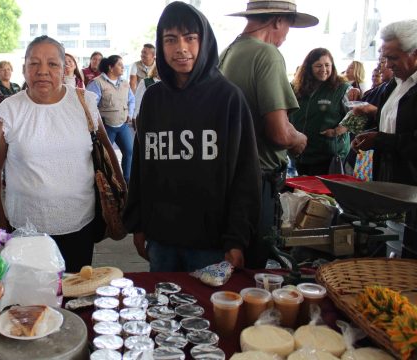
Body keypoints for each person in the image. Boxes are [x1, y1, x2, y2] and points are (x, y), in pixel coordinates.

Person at [123, 2, 260, 272]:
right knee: (162, 310)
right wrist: (138, 223)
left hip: (212, 244)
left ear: (204, 41)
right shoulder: (153, 99)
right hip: (162, 240)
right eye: (171, 39)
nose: (181, 48)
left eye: (190, 38)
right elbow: (142, 165)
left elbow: (246, 175)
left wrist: (237, 239)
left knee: (209, 313)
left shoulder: (228, 98)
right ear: (161, 46)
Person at [0, 36, 124, 272]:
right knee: (30, 301)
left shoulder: (85, 103)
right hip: (26, 229)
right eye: (34, 64)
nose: (42, 71)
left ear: (64, 69)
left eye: (52, 64)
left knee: (74, 293)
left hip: (80, 223)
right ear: (23, 69)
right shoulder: (8, 111)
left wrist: (123, 194)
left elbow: (108, 151)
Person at [219, 0, 316, 268]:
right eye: (288, 26)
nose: (286, 34)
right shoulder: (267, 54)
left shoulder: (227, 52)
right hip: (256, 182)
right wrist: (300, 139)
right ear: (277, 21)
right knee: (251, 269)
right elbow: (279, 133)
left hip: (227, 178)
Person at [352, 19, 417, 186]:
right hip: (386, 177)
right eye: (385, 58)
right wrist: (367, 136)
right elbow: (391, 127)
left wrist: (379, 140)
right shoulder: (393, 85)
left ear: (415, 54)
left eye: (393, 58)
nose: (387, 65)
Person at [290, 48, 351, 176]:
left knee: (324, 195)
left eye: (327, 65)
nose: (324, 70)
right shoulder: (296, 88)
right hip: (301, 154)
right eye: (318, 66)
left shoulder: (342, 89)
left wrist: (337, 131)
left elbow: (357, 116)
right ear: (309, 68)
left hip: (329, 156)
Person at [86, 55, 135, 183]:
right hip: (106, 127)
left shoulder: (124, 83)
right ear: (110, 67)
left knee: (129, 152)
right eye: (119, 64)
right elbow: (90, 104)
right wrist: (97, 124)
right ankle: (110, 182)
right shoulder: (97, 83)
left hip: (123, 125)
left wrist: (129, 114)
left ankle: (127, 181)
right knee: (106, 157)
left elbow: (131, 100)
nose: (123, 67)